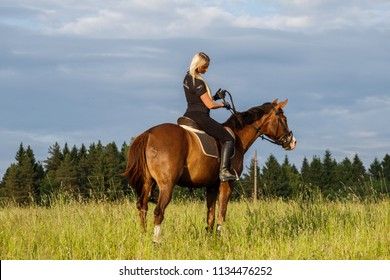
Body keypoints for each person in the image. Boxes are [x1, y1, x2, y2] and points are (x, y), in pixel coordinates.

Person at [182, 52, 236, 182]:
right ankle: (224, 171)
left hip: (189, 114)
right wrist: (223, 104)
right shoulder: (198, 81)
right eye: (204, 67)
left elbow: (198, 99)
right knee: (228, 139)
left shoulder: (187, 77)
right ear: (198, 65)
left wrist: (216, 96)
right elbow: (209, 105)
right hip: (200, 117)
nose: (206, 70)